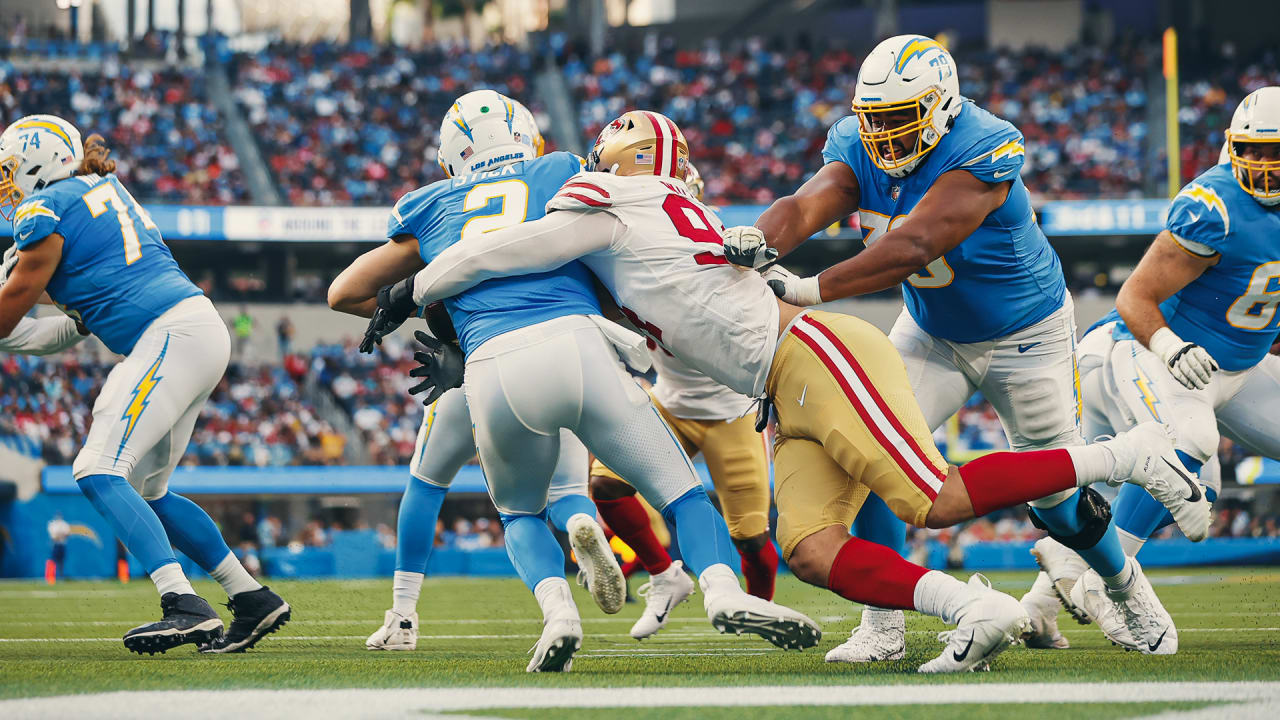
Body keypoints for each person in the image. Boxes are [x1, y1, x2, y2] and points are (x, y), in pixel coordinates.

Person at [370, 108, 1208, 672]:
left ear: (617, 165)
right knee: (811, 552)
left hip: (814, 353)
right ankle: (972, 610)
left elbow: (497, 253)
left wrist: (421, 289)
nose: (582, 166)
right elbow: (599, 316)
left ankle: (1128, 452)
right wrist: (462, 339)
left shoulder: (612, 198)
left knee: (934, 501)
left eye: (597, 157)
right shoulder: (632, 220)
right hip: (777, 389)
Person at [718, 34, 1184, 657]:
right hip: (931, 332)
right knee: (864, 456)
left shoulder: (986, 144)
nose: (884, 139)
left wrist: (807, 288)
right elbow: (805, 204)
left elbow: (914, 246)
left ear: (941, 108)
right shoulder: (857, 145)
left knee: (1058, 504)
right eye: (874, 122)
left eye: (899, 122)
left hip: (1028, 336)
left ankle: (1125, 587)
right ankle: (883, 625)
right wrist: (759, 242)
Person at [335, 91, 813, 672]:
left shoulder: (429, 204)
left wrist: (445, 321)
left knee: (518, 514)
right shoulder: (561, 169)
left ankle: (558, 612)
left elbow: (344, 294)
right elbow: (607, 260)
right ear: (527, 137)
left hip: (488, 366)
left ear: (451, 156)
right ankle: (720, 590)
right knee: (683, 493)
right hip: (578, 343)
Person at [0, 114, 289, 655]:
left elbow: (13, 307)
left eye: (11, 170)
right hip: (193, 327)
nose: (7, 182)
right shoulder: (94, 194)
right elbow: (53, 329)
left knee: (96, 468)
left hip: (170, 333)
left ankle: (183, 604)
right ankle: (249, 596)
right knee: (150, 492)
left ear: (38, 165)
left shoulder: (46, 210)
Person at [1070, 87, 1280, 649]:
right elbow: (1135, 298)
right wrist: (1171, 348)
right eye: (1252, 151)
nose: (1263, 165)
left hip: (1240, 367)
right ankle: (1106, 582)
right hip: (1167, 357)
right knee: (1192, 443)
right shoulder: (1215, 206)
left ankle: (1056, 595)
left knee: (1199, 488)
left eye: (1275, 150)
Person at [587, 162, 774, 640]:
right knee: (606, 486)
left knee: (751, 537)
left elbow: (773, 289)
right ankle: (665, 573)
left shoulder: (723, 248)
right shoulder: (630, 259)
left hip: (731, 412)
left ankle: (756, 612)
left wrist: (760, 264)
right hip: (669, 402)